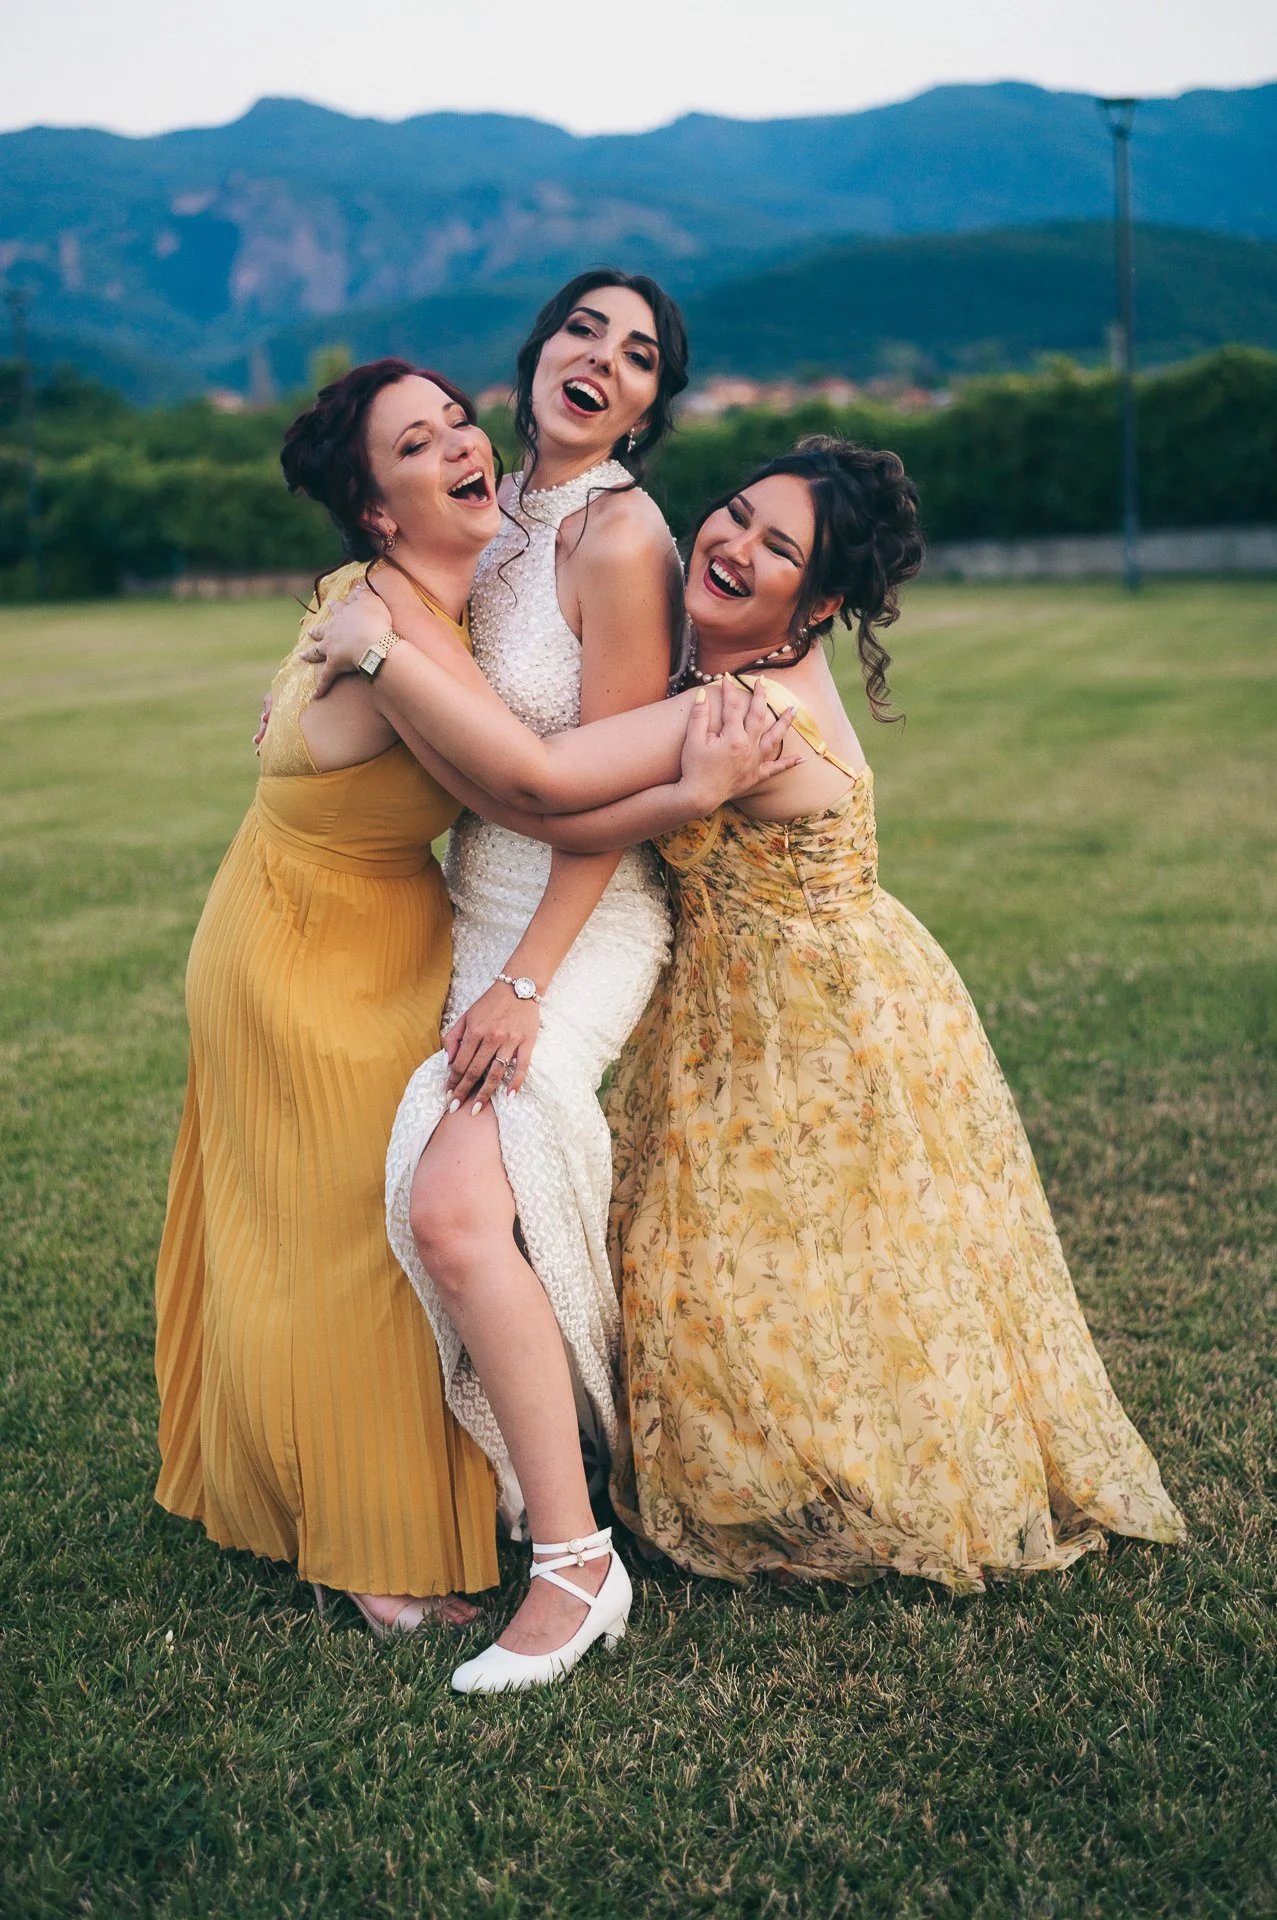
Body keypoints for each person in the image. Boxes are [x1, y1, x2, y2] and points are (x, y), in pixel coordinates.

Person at [317, 433, 1186, 1599]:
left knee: (811, 1263)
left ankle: (820, 1483)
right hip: (758, 990)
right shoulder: (709, 669)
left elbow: (541, 782)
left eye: (777, 549)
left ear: (815, 602)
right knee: (763, 1264)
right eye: (733, 513)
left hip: (813, 1009)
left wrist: (380, 654)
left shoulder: (744, 711)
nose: (731, 545)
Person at [153, 355, 796, 1645]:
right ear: (375, 508)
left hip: (390, 926)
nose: (458, 446)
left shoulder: (409, 598)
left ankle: (443, 1493)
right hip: (304, 947)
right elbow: (529, 789)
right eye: (414, 444)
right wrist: (689, 789)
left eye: (455, 421)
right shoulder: (384, 625)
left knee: (370, 1224)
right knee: (343, 1242)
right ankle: (363, 1545)